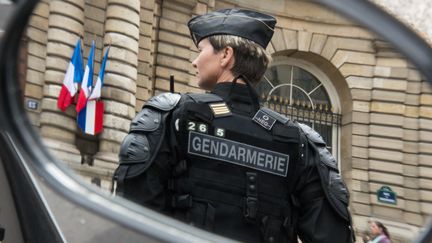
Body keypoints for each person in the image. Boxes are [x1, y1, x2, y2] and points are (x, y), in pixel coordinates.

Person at [113, 8, 355, 243]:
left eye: (201, 50)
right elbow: (332, 235)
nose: (195, 61)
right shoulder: (300, 140)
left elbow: (132, 214)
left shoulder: (172, 115)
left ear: (226, 55)